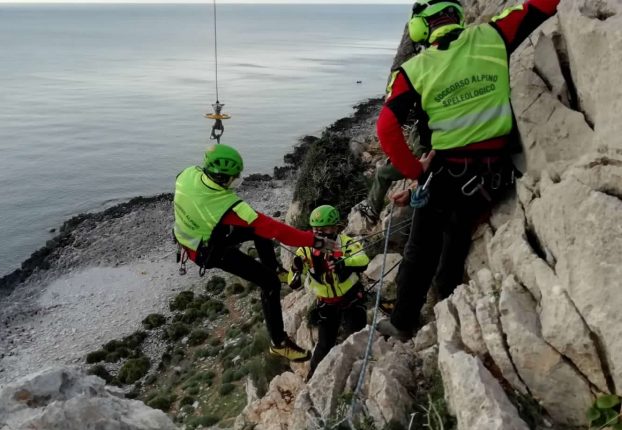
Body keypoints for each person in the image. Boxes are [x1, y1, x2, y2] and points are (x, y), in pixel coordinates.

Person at [374, 0, 561, 340]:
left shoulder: (413, 71)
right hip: (493, 175)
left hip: (446, 173)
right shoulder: (492, 34)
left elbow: (386, 128)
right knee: (457, 237)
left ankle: (403, 323)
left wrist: (416, 172)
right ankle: (448, 299)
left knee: (420, 250)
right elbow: (543, 5)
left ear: (420, 29)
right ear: (457, 17)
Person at [173, 144, 337, 362]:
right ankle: (278, 343)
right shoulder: (228, 206)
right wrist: (316, 241)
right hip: (208, 252)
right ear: (222, 179)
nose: (236, 182)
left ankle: (275, 268)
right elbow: (277, 230)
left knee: (257, 231)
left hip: (192, 236)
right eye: (234, 178)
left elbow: (260, 227)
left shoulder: (187, 174)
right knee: (269, 283)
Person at [288, 205, 370, 380]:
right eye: (316, 229)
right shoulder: (306, 250)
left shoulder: (347, 242)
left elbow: (363, 260)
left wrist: (343, 262)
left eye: (324, 229)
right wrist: (296, 270)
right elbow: (293, 282)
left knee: (356, 336)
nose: (320, 233)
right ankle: (313, 377)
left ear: (335, 227)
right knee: (324, 344)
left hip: (350, 299)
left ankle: (362, 372)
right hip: (326, 303)